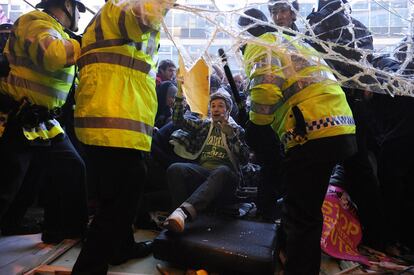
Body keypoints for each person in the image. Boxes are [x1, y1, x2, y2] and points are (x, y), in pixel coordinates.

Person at [239, 8, 357, 275]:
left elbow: (264, 89)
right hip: (340, 126)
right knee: (308, 209)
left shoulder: (260, 45)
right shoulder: (290, 41)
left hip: (311, 130)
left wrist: (255, 125)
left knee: (300, 214)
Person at [72, 0, 175, 273]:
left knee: (114, 199)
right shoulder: (121, 7)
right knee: (118, 208)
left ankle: (120, 248)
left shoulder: (111, 13)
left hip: (113, 118)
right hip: (115, 120)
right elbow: (145, 14)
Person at [0, 0, 88, 243]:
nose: (79, 18)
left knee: (70, 169)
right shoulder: (35, 22)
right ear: (68, 6)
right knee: (7, 185)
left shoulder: (57, 32)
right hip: (20, 118)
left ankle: (63, 230)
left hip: (43, 122)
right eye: (78, 11)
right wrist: (85, 42)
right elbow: (53, 56)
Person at [163, 83, 249, 233]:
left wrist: (231, 135)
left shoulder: (237, 130)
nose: (216, 109)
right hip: (204, 173)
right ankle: (177, 218)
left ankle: (184, 212)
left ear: (228, 110)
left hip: (228, 179)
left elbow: (245, 159)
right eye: (213, 106)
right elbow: (178, 120)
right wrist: (178, 95)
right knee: (176, 169)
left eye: (221, 106)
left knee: (222, 170)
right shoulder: (204, 126)